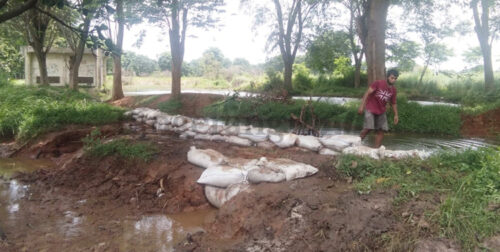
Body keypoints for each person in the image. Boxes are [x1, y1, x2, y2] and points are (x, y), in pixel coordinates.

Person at [357, 69, 399, 148]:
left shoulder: (393, 90)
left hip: (381, 111)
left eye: (395, 78)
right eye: (392, 78)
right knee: (368, 128)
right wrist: (361, 106)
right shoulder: (378, 83)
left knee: (381, 130)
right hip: (370, 108)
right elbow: (367, 93)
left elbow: (393, 103)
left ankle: (376, 150)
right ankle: (355, 145)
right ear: (387, 77)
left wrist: (396, 115)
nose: (393, 80)